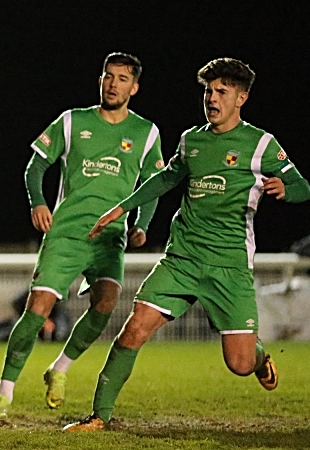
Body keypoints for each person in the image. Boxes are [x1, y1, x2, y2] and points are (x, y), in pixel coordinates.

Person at [64, 58, 310, 432]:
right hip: (181, 259)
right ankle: (100, 416)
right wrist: (121, 208)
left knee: (240, 364)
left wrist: (284, 189)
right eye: (208, 91)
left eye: (221, 92)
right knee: (134, 328)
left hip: (229, 266)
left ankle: (259, 359)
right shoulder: (191, 140)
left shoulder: (260, 144)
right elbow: (165, 179)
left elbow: (303, 187)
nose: (211, 98)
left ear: (241, 98)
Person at [0, 53, 164, 418]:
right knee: (37, 309)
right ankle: (3, 393)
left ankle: (60, 369)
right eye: (108, 76)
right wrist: (37, 202)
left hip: (111, 236)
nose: (113, 84)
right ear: (101, 79)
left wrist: (142, 224)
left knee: (106, 304)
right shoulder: (72, 121)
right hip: (66, 233)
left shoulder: (147, 133)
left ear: (135, 87)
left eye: (122, 79)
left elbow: (154, 185)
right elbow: (35, 166)